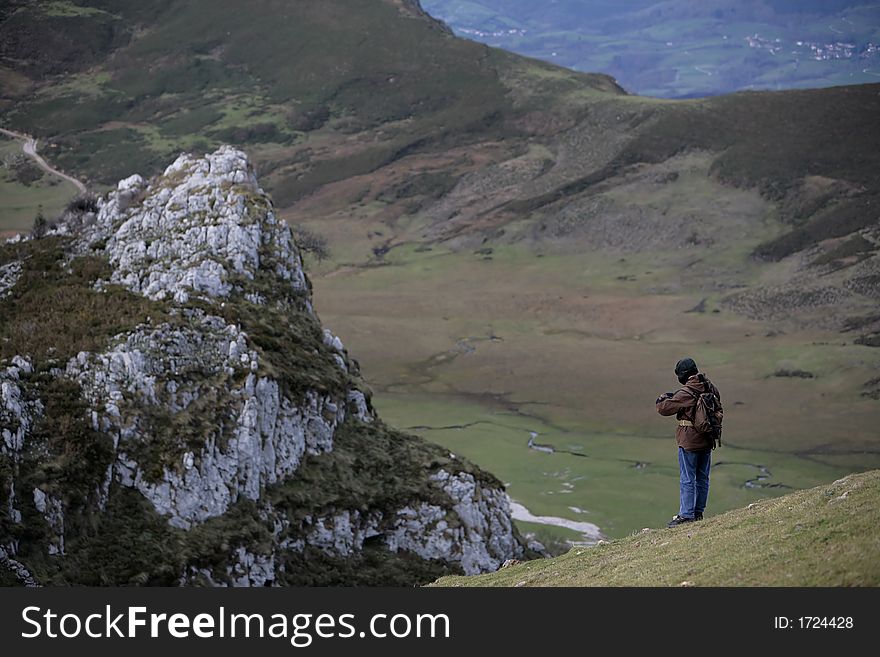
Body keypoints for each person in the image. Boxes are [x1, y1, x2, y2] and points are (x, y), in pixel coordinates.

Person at [655, 357, 722, 527]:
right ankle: (698, 512)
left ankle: (686, 515)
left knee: (687, 477)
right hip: (707, 439)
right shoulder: (711, 387)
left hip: (689, 441)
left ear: (683, 375)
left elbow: (664, 409)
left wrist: (663, 398)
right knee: (702, 477)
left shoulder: (688, 391)